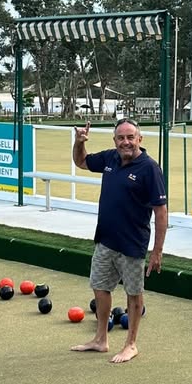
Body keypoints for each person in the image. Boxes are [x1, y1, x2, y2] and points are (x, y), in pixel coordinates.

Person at [70, 118, 168, 363]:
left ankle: (131, 344)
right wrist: (79, 142)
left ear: (139, 139)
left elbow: (161, 211)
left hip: (132, 244)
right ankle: (101, 339)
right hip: (105, 239)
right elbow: (81, 161)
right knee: (100, 288)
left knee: (134, 294)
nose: (126, 142)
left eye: (130, 137)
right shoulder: (110, 158)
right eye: (121, 138)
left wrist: (157, 251)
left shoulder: (150, 168)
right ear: (115, 140)